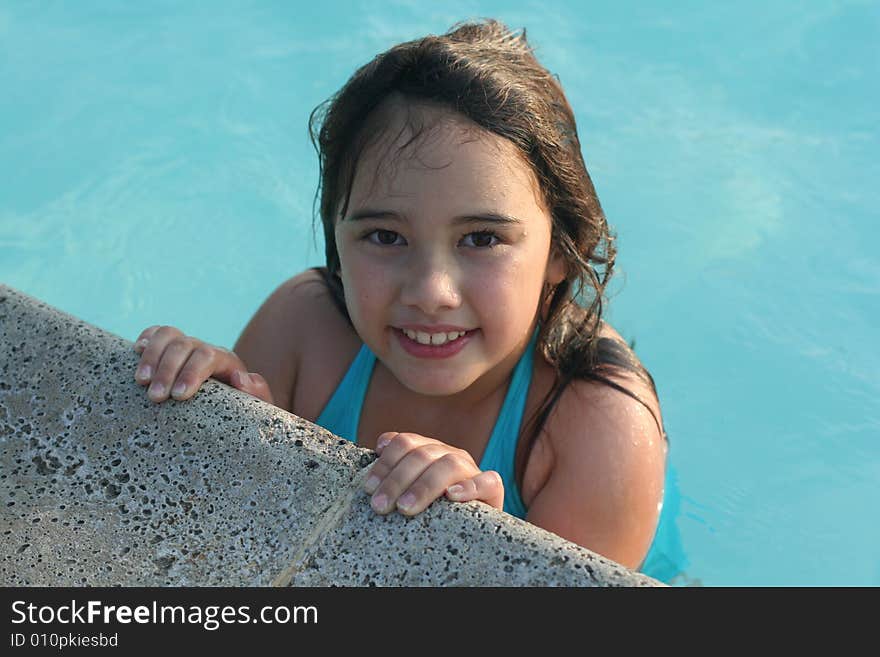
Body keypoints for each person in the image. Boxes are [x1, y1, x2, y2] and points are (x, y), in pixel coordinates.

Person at [132, 19, 671, 577]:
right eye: (386, 237)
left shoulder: (597, 424)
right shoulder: (303, 328)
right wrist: (219, 415)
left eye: (482, 239)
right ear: (338, 240)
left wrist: (486, 561)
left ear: (561, 249)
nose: (431, 293)